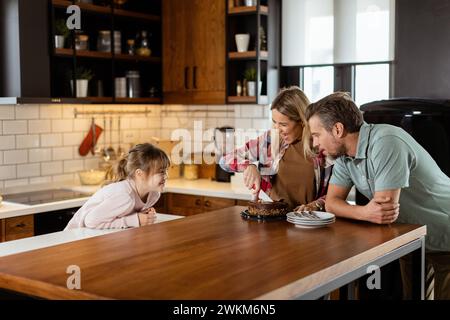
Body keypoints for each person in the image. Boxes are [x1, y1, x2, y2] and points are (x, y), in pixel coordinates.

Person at [306, 92, 450, 299]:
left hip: (444, 234)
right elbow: (331, 203)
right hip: (412, 237)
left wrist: (361, 211)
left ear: (337, 129)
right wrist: (365, 212)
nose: (314, 143)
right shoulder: (345, 158)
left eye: (316, 135)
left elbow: (384, 212)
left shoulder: (386, 141)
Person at [220, 86, 333, 211]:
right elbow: (225, 160)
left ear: (302, 121)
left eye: (283, 124)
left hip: (308, 222)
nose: (277, 129)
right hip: (273, 219)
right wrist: (248, 166)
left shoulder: (321, 146)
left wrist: (314, 206)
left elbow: (335, 195)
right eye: (274, 122)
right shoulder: (269, 139)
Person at [65, 143, 170, 230]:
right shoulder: (124, 196)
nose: (166, 176)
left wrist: (143, 215)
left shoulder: (153, 195)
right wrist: (135, 220)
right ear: (140, 174)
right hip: (74, 240)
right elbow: (90, 221)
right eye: (161, 172)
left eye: (166, 170)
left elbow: (119, 215)